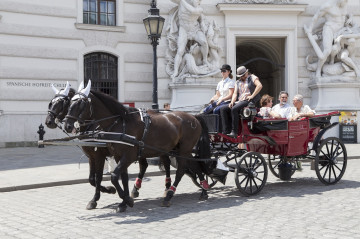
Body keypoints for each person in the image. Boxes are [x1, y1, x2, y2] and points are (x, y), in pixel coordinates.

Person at [304, 0, 349, 77]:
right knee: (327, 51)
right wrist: (310, 29)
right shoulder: (327, 6)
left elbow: (345, 15)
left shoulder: (344, 5)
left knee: (340, 48)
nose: (346, 2)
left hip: (341, 31)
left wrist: (350, 17)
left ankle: (332, 62)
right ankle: (318, 70)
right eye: (345, 1)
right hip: (329, 29)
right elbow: (316, 17)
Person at [170, 0, 209, 78]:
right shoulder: (182, 3)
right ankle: (175, 71)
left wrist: (182, 1)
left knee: (204, 43)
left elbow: (192, 11)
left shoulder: (199, 9)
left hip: (194, 28)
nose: (197, 2)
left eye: (198, 1)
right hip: (184, 29)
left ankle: (205, 60)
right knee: (180, 51)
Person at [220, 66, 262, 137]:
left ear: (246, 73)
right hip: (240, 101)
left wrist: (252, 96)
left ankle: (234, 131)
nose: (242, 77)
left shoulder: (252, 77)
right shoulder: (238, 82)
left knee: (234, 109)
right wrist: (232, 102)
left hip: (249, 100)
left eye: (243, 75)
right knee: (223, 109)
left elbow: (259, 86)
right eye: (240, 76)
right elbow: (235, 93)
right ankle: (226, 130)